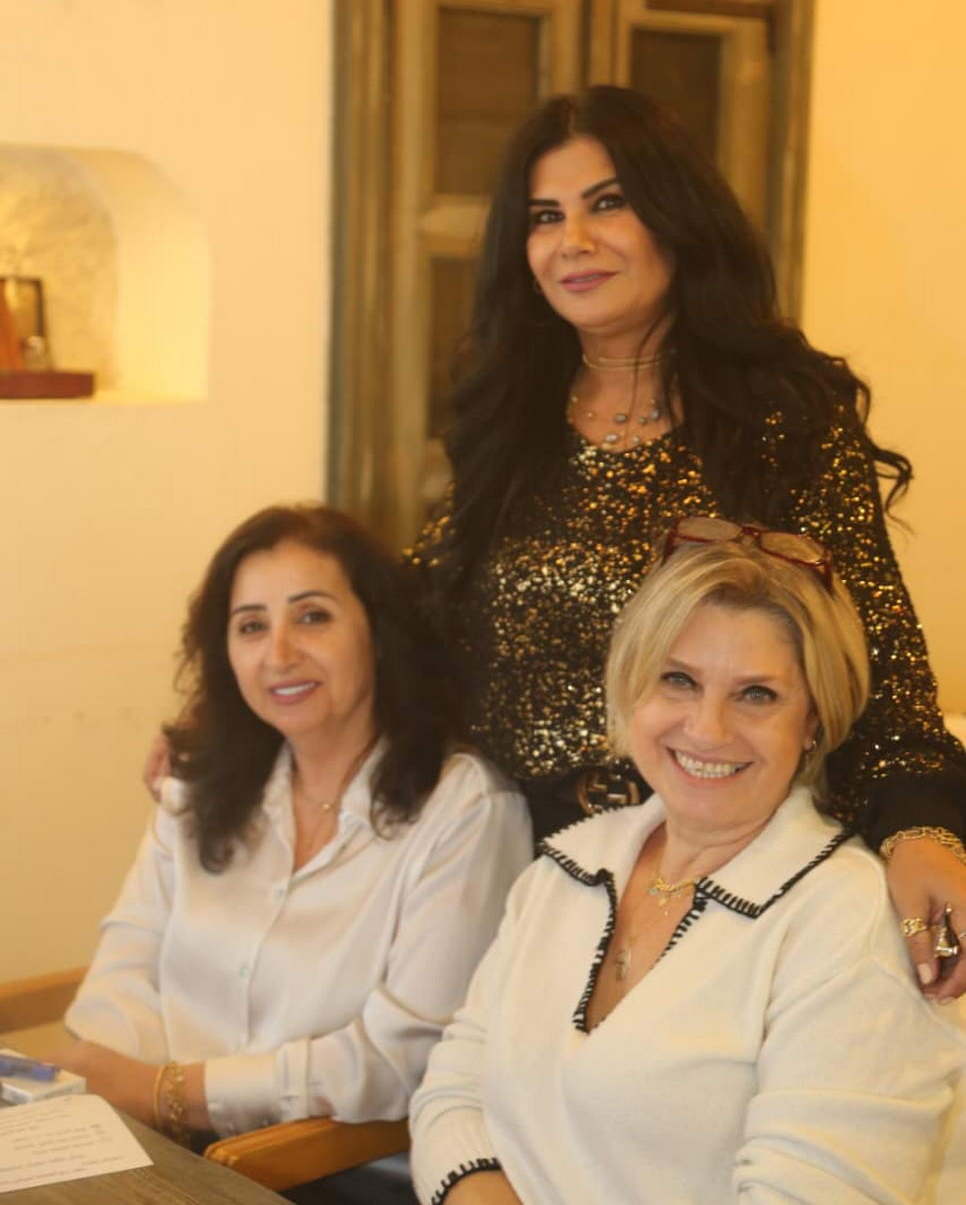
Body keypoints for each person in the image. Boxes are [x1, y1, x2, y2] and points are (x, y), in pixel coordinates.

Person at [409, 85, 966, 998]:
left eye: (607, 203)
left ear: (678, 217)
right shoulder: (509, 420)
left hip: (730, 863)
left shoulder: (779, 416)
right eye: (544, 216)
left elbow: (882, 664)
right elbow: (421, 611)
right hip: (528, 869)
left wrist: (922, 830)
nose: (571, 241)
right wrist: (236, 711)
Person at [409, 524, 965, 1204]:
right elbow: (453, 1093)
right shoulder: (565, 866)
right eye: (678, 680)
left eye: (756, 694)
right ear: (632, 687)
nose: (707, 728)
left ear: (814, 721)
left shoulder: (849, 919)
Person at [56, 504, 531, 1146]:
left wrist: (170, 1093)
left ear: (379, 633)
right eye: (251, 626)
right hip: (159, 1143)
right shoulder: (198, 781)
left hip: (322, 1173)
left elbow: (404, 1056)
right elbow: (127, 962)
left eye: (312, 617)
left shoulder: (466, 808)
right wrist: (121, 1091)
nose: (279, 654)